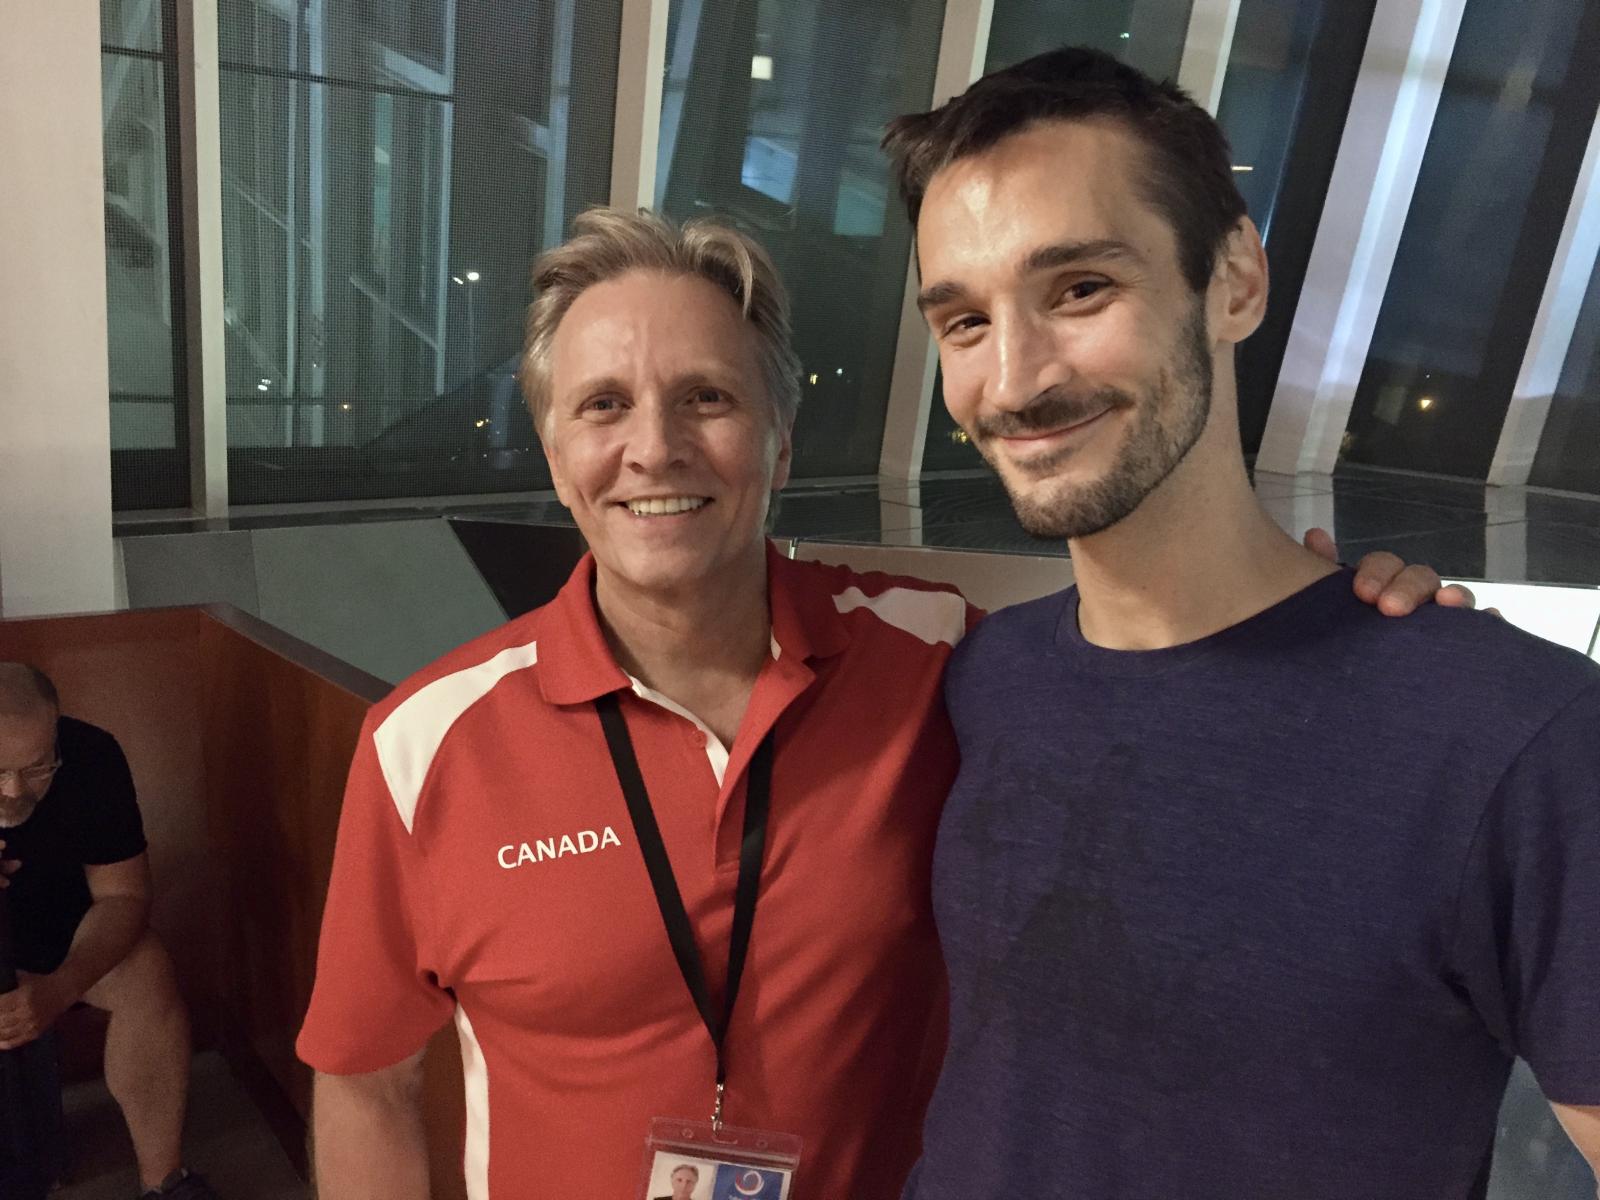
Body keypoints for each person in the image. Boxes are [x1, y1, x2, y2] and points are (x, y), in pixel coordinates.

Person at [296, 210, 1460, 1199]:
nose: (654, 448)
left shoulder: (937, 660)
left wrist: (1328, 628)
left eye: (706, 397)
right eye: (603, 406)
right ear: (555, 455)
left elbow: (1166, 695)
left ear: (779, 441)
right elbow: (363, 1082)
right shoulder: (426, 746)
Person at [881, 46, 1600, 1199]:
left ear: (1234, 281)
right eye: (964, 320)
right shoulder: (980, 681)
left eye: (1079, 289)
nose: (1011, 382)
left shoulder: (1513, 734)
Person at [0, 664, 217, 1200]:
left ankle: (165, 1182)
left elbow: (123, 897)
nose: (14, 791)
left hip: (66, 936)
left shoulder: (90, 757)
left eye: (37, 767)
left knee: (146, 969)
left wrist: (60, 988)